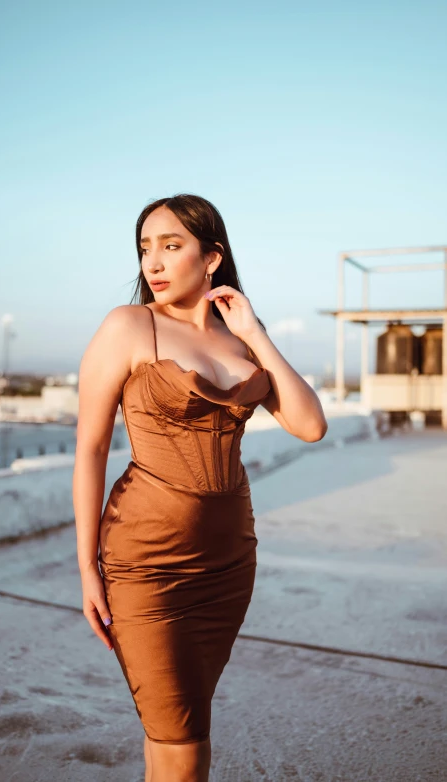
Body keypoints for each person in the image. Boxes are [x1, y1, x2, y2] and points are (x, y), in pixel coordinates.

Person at [73, 194, 327, 782]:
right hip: (147, 562)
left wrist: (256, 332)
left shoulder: (239, 344)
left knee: (177, 740)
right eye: (144, 249)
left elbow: (310, 425)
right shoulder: (129, 326)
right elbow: (89, 450)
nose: (153, 264)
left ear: (212, 258)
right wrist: (88, 566)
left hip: (229, 564)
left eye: (171, 245)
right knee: (183, 748)